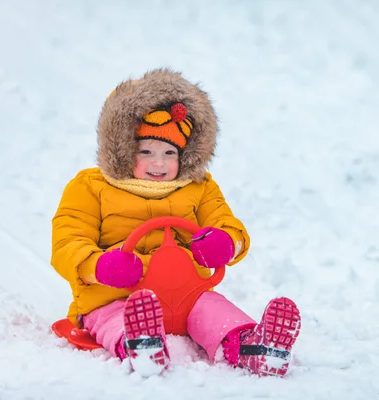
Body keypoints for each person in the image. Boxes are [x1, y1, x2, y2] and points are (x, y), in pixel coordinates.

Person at [51, 68, 301, 377]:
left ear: (185, 155)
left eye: (169, 152)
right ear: (123, 150)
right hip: (117, 293)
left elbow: (227, 224)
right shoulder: (91, 186)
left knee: (213, 310)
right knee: (113, 317)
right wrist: (100, 266)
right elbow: (68, 240)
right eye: (146, 151)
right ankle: (139, 345)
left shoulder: (199, 186)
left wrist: (226, 243)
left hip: (186, 293)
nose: (159, 162)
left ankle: (252, 346)